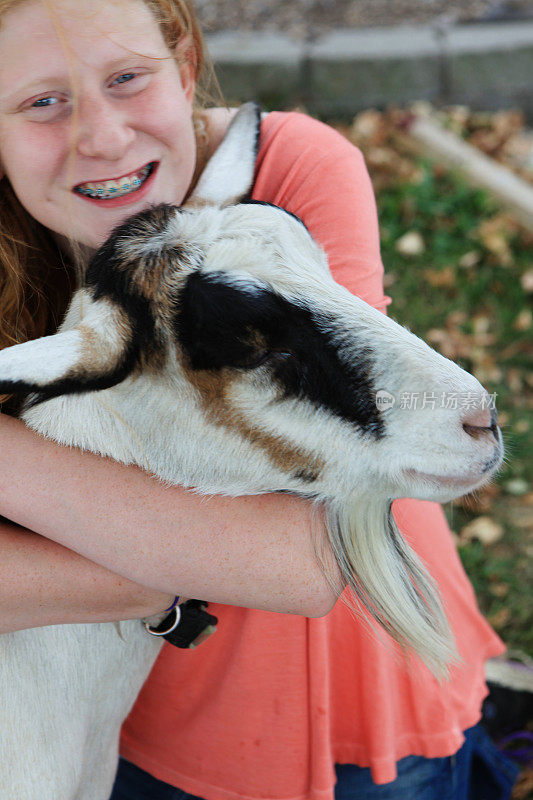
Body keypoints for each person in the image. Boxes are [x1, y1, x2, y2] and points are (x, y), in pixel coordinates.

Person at [0, 1, 518, 799]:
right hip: (118, 721)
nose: (101, 137)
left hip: (359, 716)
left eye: (127, 78)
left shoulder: (286, 171)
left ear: (182, 62)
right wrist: (148, 579)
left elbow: (303, 561)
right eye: (43, 101)